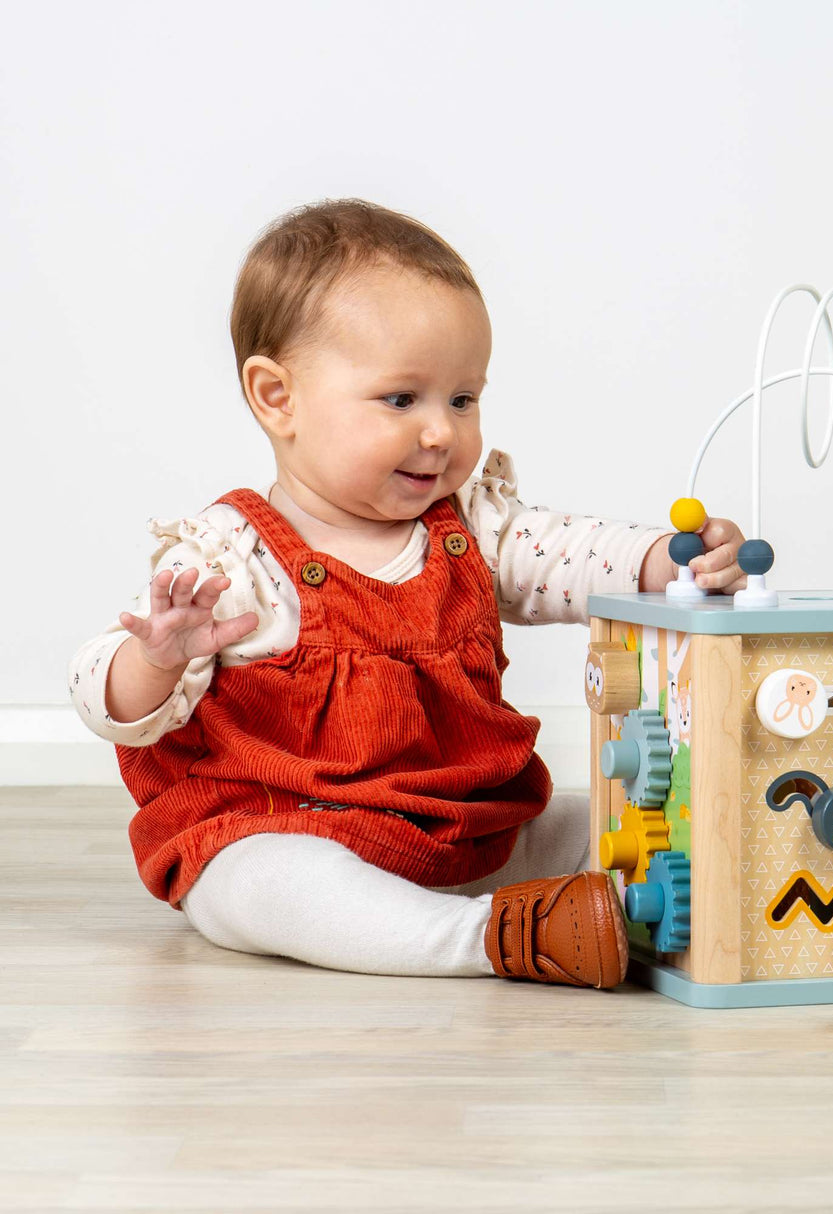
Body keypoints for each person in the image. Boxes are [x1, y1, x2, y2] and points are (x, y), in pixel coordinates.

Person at [68, 198, 746, 988]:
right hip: (289, 828)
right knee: (263, 883)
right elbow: (98, 697)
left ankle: (625, 908)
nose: (441, 433)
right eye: (402, 400)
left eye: (463, 399)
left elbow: (569, 552)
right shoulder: (231, 560)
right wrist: (154, 659)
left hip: (464, 830)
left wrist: (668, 558)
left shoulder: (473, 528)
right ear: (277, 398)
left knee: (608, 819)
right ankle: (488, 937)